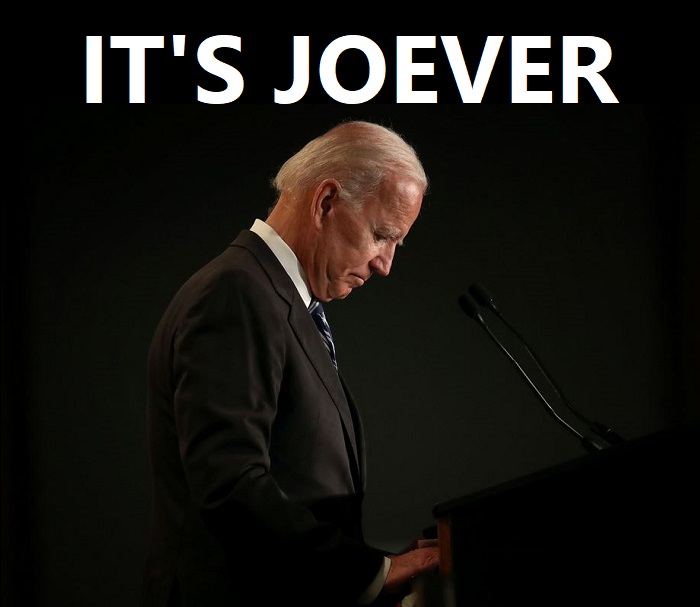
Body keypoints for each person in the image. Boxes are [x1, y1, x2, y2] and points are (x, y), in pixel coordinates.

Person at [140, 119, 440, 607]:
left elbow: (297, 483)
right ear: (326, 202)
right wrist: (370, 572)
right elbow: (230, 485)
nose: (385, 264)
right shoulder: (235, 293)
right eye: (382, 235)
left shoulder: (278, 297)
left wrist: (374, 570)